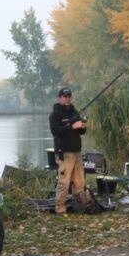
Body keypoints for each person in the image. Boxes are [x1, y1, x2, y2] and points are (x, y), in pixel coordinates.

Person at [49, 87, 87, 215]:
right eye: (65, 96)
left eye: (69, 95)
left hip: (77, 151)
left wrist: (82, 126)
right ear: (59, 98)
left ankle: (79, 207)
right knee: (64, 182)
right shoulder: (55, 114)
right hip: (64, 152)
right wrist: (71, 126)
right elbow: (56, 131)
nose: (67, 98)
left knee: (79, 181)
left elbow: (81, 132)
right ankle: (60, 208)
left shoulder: (74, 111)